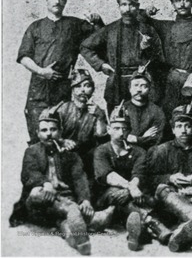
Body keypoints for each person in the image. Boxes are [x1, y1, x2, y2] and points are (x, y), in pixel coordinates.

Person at [93, 103, 192, 252]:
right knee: (118, 194)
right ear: (109, 129)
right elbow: (107, 176)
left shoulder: (138, 152)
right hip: (109, 196)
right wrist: (131, 187)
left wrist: (133, 188)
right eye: (116, 128)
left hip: (133, 195)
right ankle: (162, 232)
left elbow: (139, 174)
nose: (120, 133)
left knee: (135, 201)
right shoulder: (102, 150)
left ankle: (140, 233)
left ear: (129, 131)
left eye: (125, 129)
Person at [9, 105, 114, 255]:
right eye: (44, 131)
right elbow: (29, 173)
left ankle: (79, 242)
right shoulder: (31, 152)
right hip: (39, 205)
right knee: (36, 193)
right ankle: (90, 218)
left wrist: (85, 199)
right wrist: (45, 183)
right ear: (38, 134)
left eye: (53, 129)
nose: (49, 134)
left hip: (62, 201)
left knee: (65, 222)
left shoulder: (70, 155)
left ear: (60, 132)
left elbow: (79, 178)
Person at [17, 0, 104, 145]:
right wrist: (41, 71)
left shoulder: (75, 25)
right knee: (39, 134)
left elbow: (100, 39)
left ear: (65, 1)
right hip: (39, 88)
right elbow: (24, 57)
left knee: (64, 134)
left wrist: (97, 21)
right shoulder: (35, 27)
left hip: (63, 88)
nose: (57, 1)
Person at [146, 103, 192, 250]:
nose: (184, 130)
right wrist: (169, 178)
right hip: (170, 205)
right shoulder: (161, 150)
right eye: (179, 126)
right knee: (162, 188)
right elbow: (148, 179)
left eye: (188, 126)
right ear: (173, 130)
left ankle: (182, 236)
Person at [80, 0, 164, 114]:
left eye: (132, 5)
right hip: (117, 83)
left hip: (142, 83)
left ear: (138, 6)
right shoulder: (110, 29)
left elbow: (159, 58)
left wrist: (146, 50)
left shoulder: (148, 30)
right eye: (123, 5)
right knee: (117, 121)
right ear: (119, 7)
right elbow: (85, 46)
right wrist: (101, 65)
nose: (127, 9)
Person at [54, 68, 107, 200]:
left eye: (87, 86)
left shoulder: (96, 112)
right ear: (72, 90)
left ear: (93, 90)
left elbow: (101, 136)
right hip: (64, 154)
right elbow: (50, 133)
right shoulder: (63, 109)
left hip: (85, 156)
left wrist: (100, 117)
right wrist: (62, 141)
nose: (83, 90)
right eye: (78, 86)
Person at [123, 68, 166, 150]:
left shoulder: (157, 111)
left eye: (144, 86)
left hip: (148, 152)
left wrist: (133, 138)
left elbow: (155, 139)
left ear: (149, 89)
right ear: (129, 88)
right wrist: (142, 138)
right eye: (135, 85)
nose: (139, 90)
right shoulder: (122, 109)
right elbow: (119, 136)